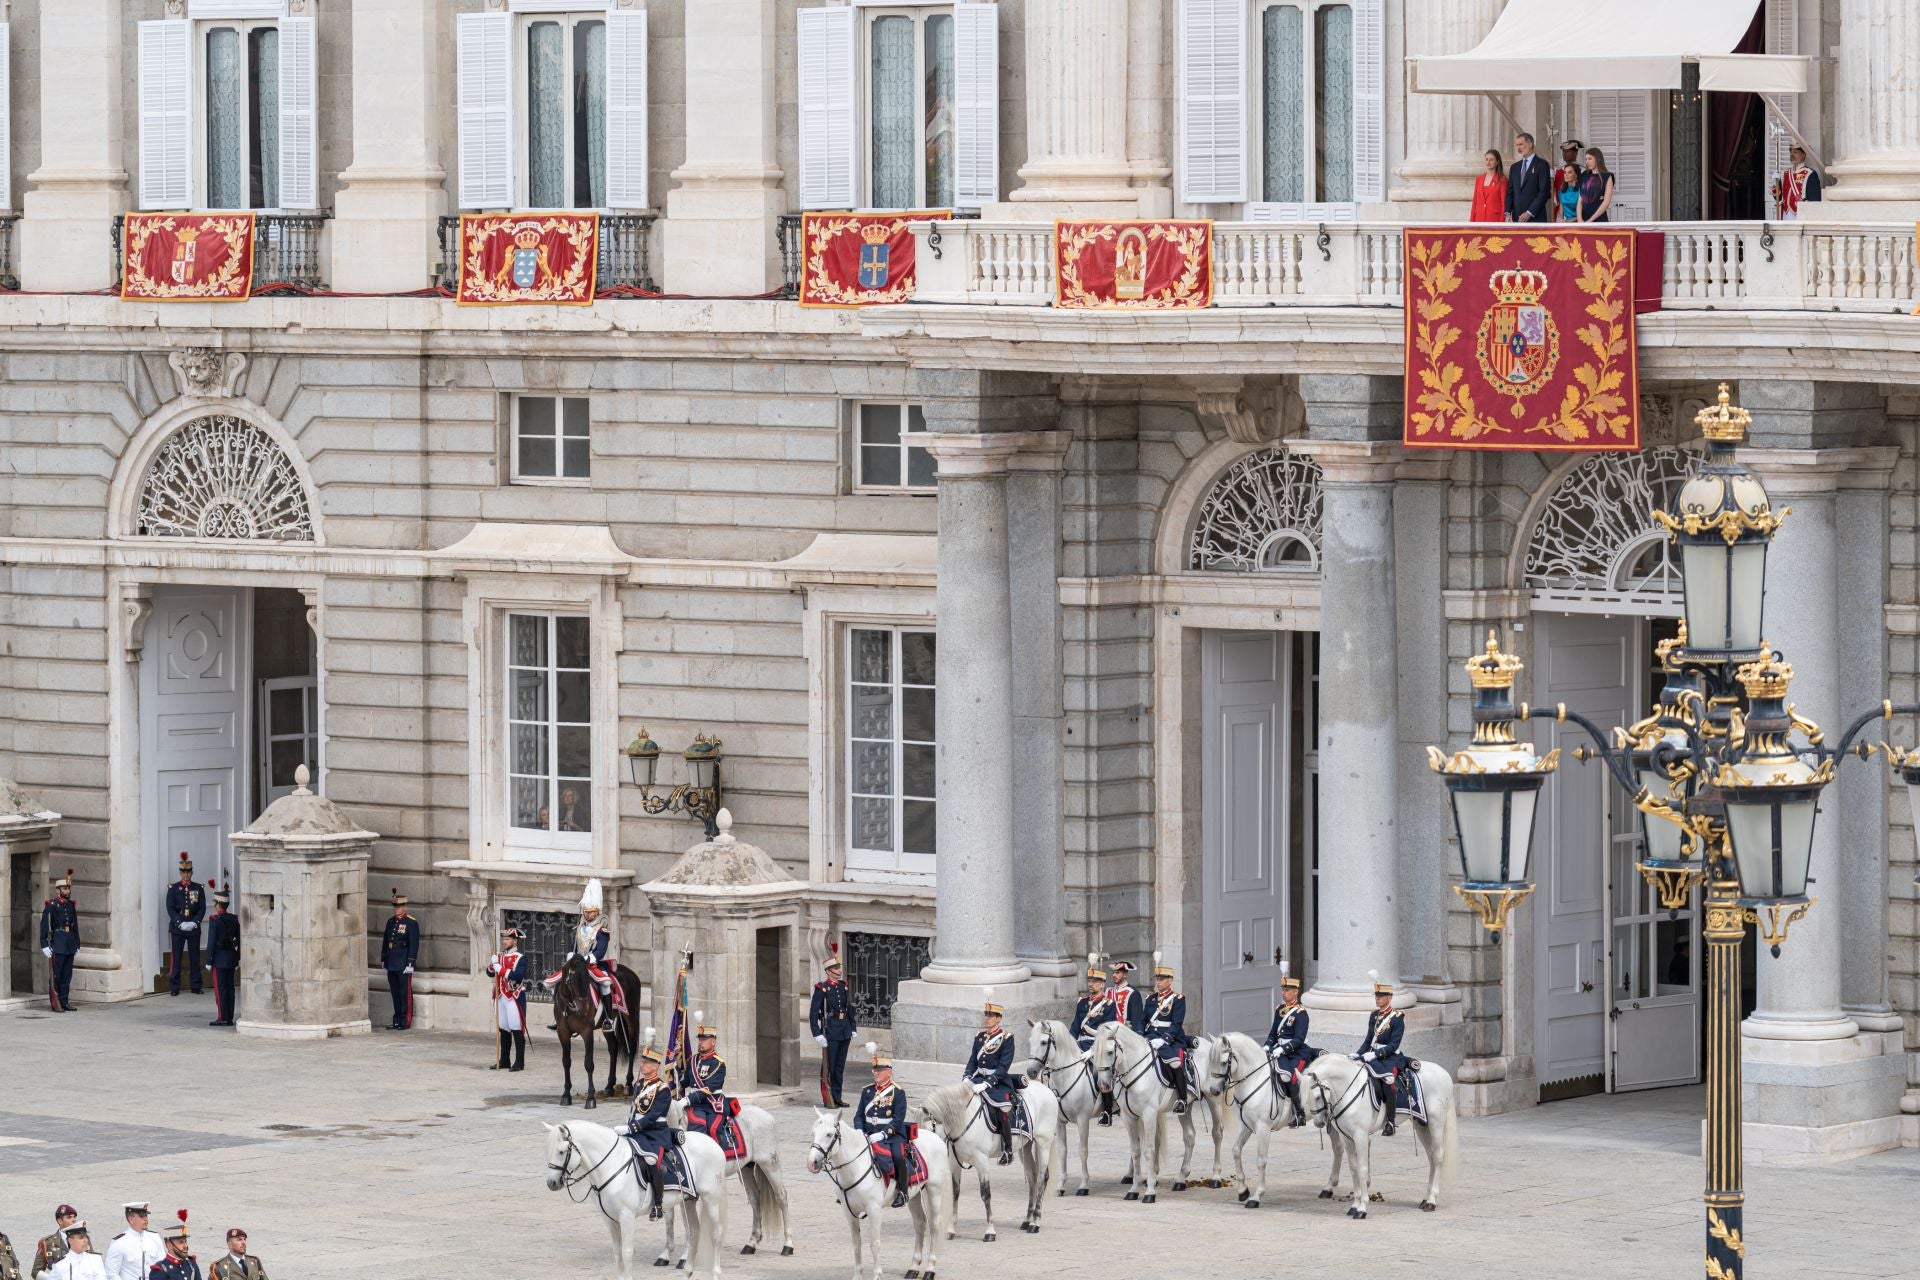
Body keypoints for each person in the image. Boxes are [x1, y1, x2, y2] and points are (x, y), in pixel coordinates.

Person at [546, 878, 620, 1032]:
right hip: (575, 964)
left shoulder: (602, 930)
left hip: (592, 965)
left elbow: (600, 950)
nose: (587, 915)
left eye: (590, 912)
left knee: (605, 984)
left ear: (597, 912)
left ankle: (607, 1018)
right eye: (585, 912)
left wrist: (588, 959)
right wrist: (570, 957)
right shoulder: (578, 928)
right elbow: (571, 945)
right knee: (555, 982)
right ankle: (558, 1015)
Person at [1086, 957, 1145, 1126]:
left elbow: (1137, 1018)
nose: (1114, 975)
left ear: (1125, 975)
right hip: (1108, 1035)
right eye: (1113, 972)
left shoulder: (1133, 994)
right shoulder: (1109, 992)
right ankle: (1106, 1108)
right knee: (1103, 1066)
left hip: (1125, 1035)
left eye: (1118, 972)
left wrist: (1138, 1035)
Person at [963, 990, 1019, 1166]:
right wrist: (967, 1076)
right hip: (979, 1079)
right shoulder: (979, 1037)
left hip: (999, 1083)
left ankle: (1008, 1149)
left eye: (991, 1015)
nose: (987, 1018)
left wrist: (988, 1083)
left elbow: (1004, 1067)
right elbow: (973, 1060)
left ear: (999, 1018)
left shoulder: (1007, 1038)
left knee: (999, 1109)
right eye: (986, 1014)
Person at [855, 1043, 912, 1209]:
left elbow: (898, 1119)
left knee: (898, 1156)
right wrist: (859, 1130)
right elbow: (859, 1115)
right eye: (874, 1070)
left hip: (891, 1135)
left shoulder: (898, 1092)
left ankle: (903, 1191)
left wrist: (883, 1134)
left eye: (879, 1070)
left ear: (889, 1071)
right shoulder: (867, 1091)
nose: (875, 1073)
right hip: (867, 1132)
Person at [1353, 971, 1409, 1137]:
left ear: (1389, 997)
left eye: (1381, 996)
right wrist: (1357, 1054)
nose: (1377, 999)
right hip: (1373, 1054)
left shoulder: (1397, 1017)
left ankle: (1390, 1121)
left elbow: (1394, 1045)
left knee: (1388, 1081)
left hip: (1390, 1057)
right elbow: (1368, 1039)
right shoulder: (1374, 1016)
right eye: (1376, 995)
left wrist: (1376, 1054)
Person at [625, 1037, 674, 1221]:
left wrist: (634, 1126)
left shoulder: (663, 1089)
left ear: (656, 1066)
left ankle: (658, 1204)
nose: (642, 1065)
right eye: (642, 1062)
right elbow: (634, 1109)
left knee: (652, 1161)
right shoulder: (639, 1085)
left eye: (646, 1063)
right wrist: (627, 1125)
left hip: (656, 1134)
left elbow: (653, 1115)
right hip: (637, 1130)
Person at [1263, 963, 1317, 1127]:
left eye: (1287, 990)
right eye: (1283, 989)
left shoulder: (1301, 1014)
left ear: (1296, 992)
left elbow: (1298, 1039)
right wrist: (1267, 1045)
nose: (1283, 993)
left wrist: (1283, 1049)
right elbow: (1273, 1033)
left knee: (1290, 1078)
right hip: (1278, 1051)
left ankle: (1299, 1114)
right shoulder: (1280, 1010)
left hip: (1297, 1053)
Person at [1144, 953, 1192, 1115]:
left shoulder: (1178, 999)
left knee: (1175, 1063)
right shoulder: (1150, 1000)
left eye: (1162, 979)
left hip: (1171, 1040)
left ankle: (1182, 1099)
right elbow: (1144, 1021)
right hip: (1151, 1037)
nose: (1158, 981)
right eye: (1157, 979)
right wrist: (1140, 1034)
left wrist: (1164, 1039)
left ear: (1170, 980)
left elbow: (1177, 1023)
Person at [808, 949, 856, 1107]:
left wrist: (852, 1027)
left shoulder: (843, 986)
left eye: (839, 968)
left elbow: (848, 1008)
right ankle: (828, 1097)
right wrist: (817, 1033)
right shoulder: (822, 988)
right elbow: (814, 1012)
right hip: (830, 1032)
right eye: (836, 969)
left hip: (844, 1031)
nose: (839, 971)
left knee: (840, 1067)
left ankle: (837, 1097)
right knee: (830, 1067)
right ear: (828, 971)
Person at [487, 926, 530, 1071]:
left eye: (508, 939)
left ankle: (520, 1062)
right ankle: (504, 1060)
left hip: (514, 996)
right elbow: (489, 973)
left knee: (516, 1029)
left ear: (515, 941)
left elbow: (518, 976)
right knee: (504, 1029)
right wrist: (492, 965)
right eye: (503, 939)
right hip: (499, 996)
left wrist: (500, 969)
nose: (504, 941)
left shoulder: (521, 958)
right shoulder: (498, 956)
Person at [165, 854, 206, 997]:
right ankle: (174, 987)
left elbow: (202, 908)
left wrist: (195, 922)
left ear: (192, 872)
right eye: (183, 872)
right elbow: (170, 907)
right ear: (180, 873)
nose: (186, 875)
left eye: (188, 872)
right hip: (178, 928)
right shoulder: (173, 888)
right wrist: (179, 922)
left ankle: (196, 985)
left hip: (193, 928)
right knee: (176, 958)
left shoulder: (198, 888)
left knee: (195, 958)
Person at [39, 870, 79, 1013]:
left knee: (67, 975)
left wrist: (77, 944)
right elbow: (44, 925)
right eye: (65, 888)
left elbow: (75, 926)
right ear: (58, 890)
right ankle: (55, 1003)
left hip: (69, 944)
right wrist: (44, 944)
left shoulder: (70, 905)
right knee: (57, 975)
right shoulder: (51, 905)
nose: (68, 891)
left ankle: (65, 1001)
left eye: (68, 888)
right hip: (58, 943)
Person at [379, 889, 419, 1031]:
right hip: (392, 962)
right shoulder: (390, 922)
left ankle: (405, 1020)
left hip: (403, 963)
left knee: (404, 992)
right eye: (395, 906)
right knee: (395, 992)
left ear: (405, 907)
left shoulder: (411, 923)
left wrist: (411, 962)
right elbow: (386, 941)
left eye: (399, 906)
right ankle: (396, 1019)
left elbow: (413, 944)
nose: (396, 909)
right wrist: (384, 957)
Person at [686, 1018, 729, 1143]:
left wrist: (687, 1100)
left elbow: (708, 1089)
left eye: (704, 1040)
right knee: (696, 1126)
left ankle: (719, 1157)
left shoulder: (718, 1064)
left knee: (713, 1129)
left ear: (713, 1041)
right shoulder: (692, 1061)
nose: (700, 1042)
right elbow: (685, 1082)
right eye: (699, 1039)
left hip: (712, 1104)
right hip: (696, 1104)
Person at [204, 882, 239, 1028]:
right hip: (231, 959)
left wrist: (208, 960)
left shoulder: (214, 921)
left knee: (220, 990)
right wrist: (238, 959)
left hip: (218, 960)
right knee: (230, 989)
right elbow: (239, 940)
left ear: (218, 904)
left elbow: (211, 942)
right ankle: (229, 1017)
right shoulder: (234, 919)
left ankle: (222, 1017)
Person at [102, 1204, 162, 1280]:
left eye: (146, 1216)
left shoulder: (155, 1237)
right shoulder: (119, 1242)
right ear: (131, 1219)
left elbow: (162, 1266)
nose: (146, 1219)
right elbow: (111, 1274)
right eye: (141, 1216)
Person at [1504, 132, 1550, 223]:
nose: (1518, 148)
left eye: (1521, 144)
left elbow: (1544, 192)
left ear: (1530, 145)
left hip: (1535, 218)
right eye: (1517, 145)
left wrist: (1529, 213)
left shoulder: (1542, 165)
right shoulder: (1514, 167)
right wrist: (1508, 213)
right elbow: (1510, 192)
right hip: (1517, 219)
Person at [1068, 954, 1108, 1052]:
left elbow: (1107, 1031)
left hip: (1096, 1046)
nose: (1090, 984)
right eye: (1089, 981)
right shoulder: (1082, 1002)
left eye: (1094, 981)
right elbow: (1075, 1028)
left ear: (1102, 984)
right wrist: (1069, 1043)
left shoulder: (1109, 1004)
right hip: (1079, 1044)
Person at [1773, 145, 1823, 219]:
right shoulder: (1785, 173)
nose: (1792, 155)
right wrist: (1776, 187)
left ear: (1803, 155)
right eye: (1791, 152)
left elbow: (1815, 200)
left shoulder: (1810, 173)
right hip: (1785, 214)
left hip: (1802, 214)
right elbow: (1779, 198)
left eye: (1795, 152)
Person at [145, 1214, 197, 1280]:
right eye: (181, 1242)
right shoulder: (160, 1269)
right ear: (169, 1245)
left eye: (185, 1241)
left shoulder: (191, 1264)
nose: (185, 1246)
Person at [31, 1206, 76, 1277]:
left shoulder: (84, 1239)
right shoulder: (47, 1242)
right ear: (60, 1221)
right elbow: (36, 1272)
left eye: (74, 1217)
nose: (73, 1220)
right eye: (69, 1217)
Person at [1576, 147, 1616, 223]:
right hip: (1583, 220)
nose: (1587, 162)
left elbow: (1606, 202)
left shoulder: (1607, 176)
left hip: (1599, 219)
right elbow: (1580, 201)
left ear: (1597, 159)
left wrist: (1591, 220)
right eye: (1586, 159)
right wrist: (1579, 219)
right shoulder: (1584, 175)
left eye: (1590, 159)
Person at [1470, 149, 1507, 223]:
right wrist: (1471, 222)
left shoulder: (1502, 180)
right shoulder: (1479, 179)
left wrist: (1501, 223)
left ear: (1497, 162)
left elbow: (1504, 204)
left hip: (1494, 220)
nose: (1488, 162)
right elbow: (1475, 202)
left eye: (1491, 160)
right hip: (1478, 219)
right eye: (1486, 159)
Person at [1553, 139, 1584, 222]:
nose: (1564, 154)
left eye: (1567, 151)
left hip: (1579, 215)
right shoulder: (1559, 171)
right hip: (1562, 211)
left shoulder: (1583, 171)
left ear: (1575, 153)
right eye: (1563, 152)